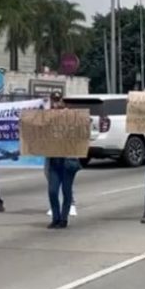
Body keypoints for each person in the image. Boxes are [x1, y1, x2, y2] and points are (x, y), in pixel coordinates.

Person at [45, 93, 81, 229]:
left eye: (58, 101)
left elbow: (82, 128)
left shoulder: (71, 119)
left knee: (67, 191)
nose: (56, 104)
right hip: (54, 162)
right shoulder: (48, 119)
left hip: (68, 162)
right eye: (54, 101)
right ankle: (56, 217)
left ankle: (63, 219)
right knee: (52, 191)